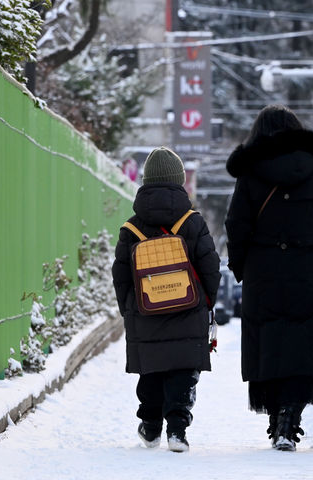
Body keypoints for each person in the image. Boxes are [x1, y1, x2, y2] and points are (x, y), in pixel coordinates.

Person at [225, 105, 313, 451]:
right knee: (301, 342)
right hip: (308, 268)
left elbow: (237, 225)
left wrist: (241, 266)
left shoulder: (250, 175)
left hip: (263, 271)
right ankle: (290, 420)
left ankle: (275, 417)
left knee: (269, 342)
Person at [112, 147, 221, 452]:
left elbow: (120, 274)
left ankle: (149, 427)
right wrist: (207, 302)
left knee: (151, 369)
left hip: (145, 311)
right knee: (182, 369)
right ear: (180, 181)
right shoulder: (192, 222)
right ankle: (177, 429)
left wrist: (128, 309)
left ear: (145, 181)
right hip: (188, 308)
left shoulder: (131, 227)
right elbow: (210, 267)